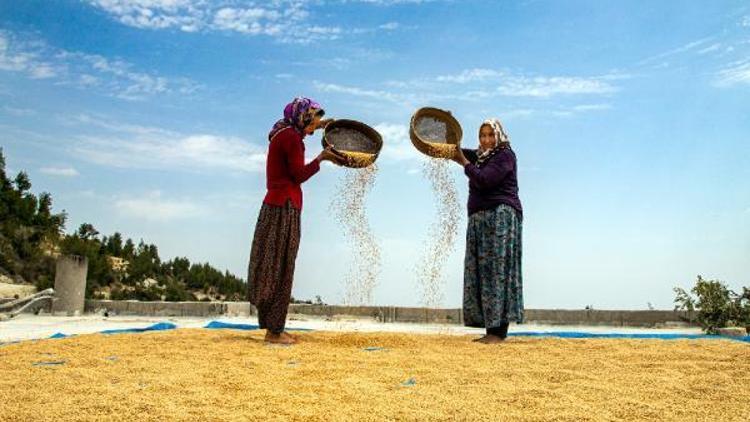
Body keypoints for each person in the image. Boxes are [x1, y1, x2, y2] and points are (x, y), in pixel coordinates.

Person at [247, 97, 345, 345]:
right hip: (284, 208)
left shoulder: (283, 131)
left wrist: (323, 126)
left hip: (274, 204)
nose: (315, 126)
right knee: (282, 268)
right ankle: (275, 332)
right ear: (303, 118)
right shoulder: (292, 139)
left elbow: (299, 137)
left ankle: (273, 327)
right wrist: (322, 158)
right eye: (314, 120)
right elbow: (298, 174)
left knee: (272, 266)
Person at [451, 118, 524, 344]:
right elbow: (450, 151)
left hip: (500, 218)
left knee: (498, 271)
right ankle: (491, 329)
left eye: (491, 135)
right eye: (482, 135)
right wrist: (448, 134)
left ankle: (498, 332)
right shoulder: (480, 156)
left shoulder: (505, 156)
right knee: (481, 273)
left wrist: (463, 162)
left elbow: (485, 180)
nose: (486, 139)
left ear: (499, 136)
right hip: (479, 219)